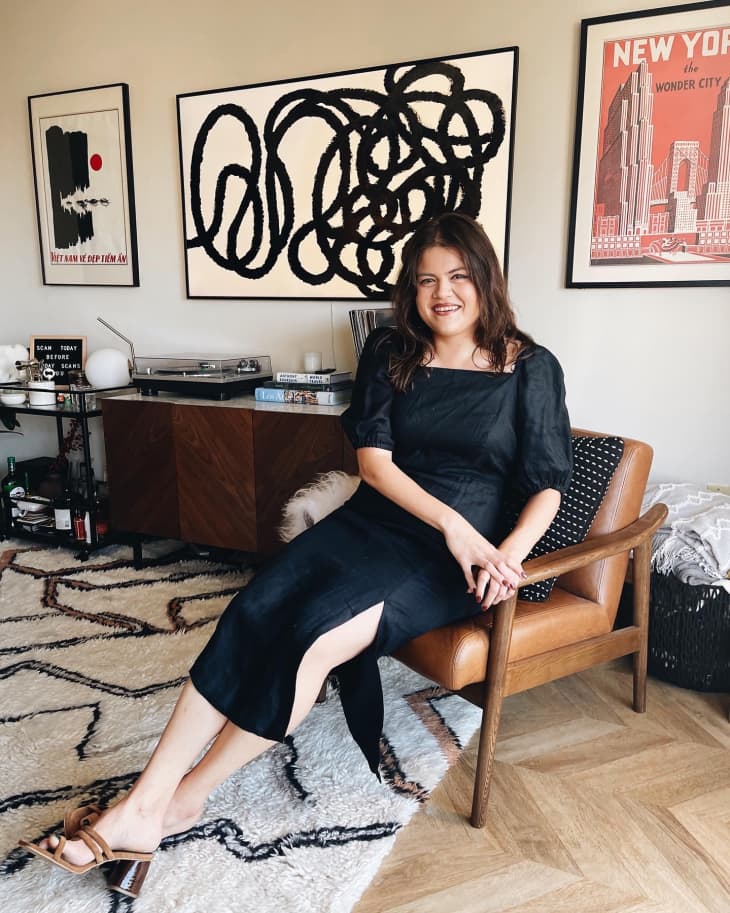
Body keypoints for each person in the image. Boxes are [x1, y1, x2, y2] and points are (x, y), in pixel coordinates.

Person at [19, 212, 572, 894]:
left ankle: (187, 796)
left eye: (458, 276)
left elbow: (546, 481)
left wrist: (504, 552)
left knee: (309, 638)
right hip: (376, 522)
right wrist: (450, 522)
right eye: (426, 279)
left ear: (486, 279)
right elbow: (375, 463)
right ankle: (145, 802)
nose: (443, 293)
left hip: (446, 561)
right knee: (253, 609)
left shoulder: (531, 367)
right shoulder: (391, 352)